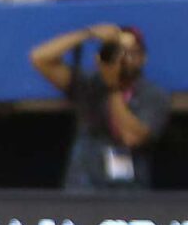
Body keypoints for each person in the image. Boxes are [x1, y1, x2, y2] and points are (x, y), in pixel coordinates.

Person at [32, 22, 170, 192]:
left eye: (130, 53)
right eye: (118, 52)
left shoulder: (153, 94)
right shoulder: (89, 83)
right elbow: (40, 58)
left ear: (143, 58)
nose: (123, 59)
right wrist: (87, 34)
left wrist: (113, 88)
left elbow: (131, 138)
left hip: (128, 191)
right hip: (84, 185)